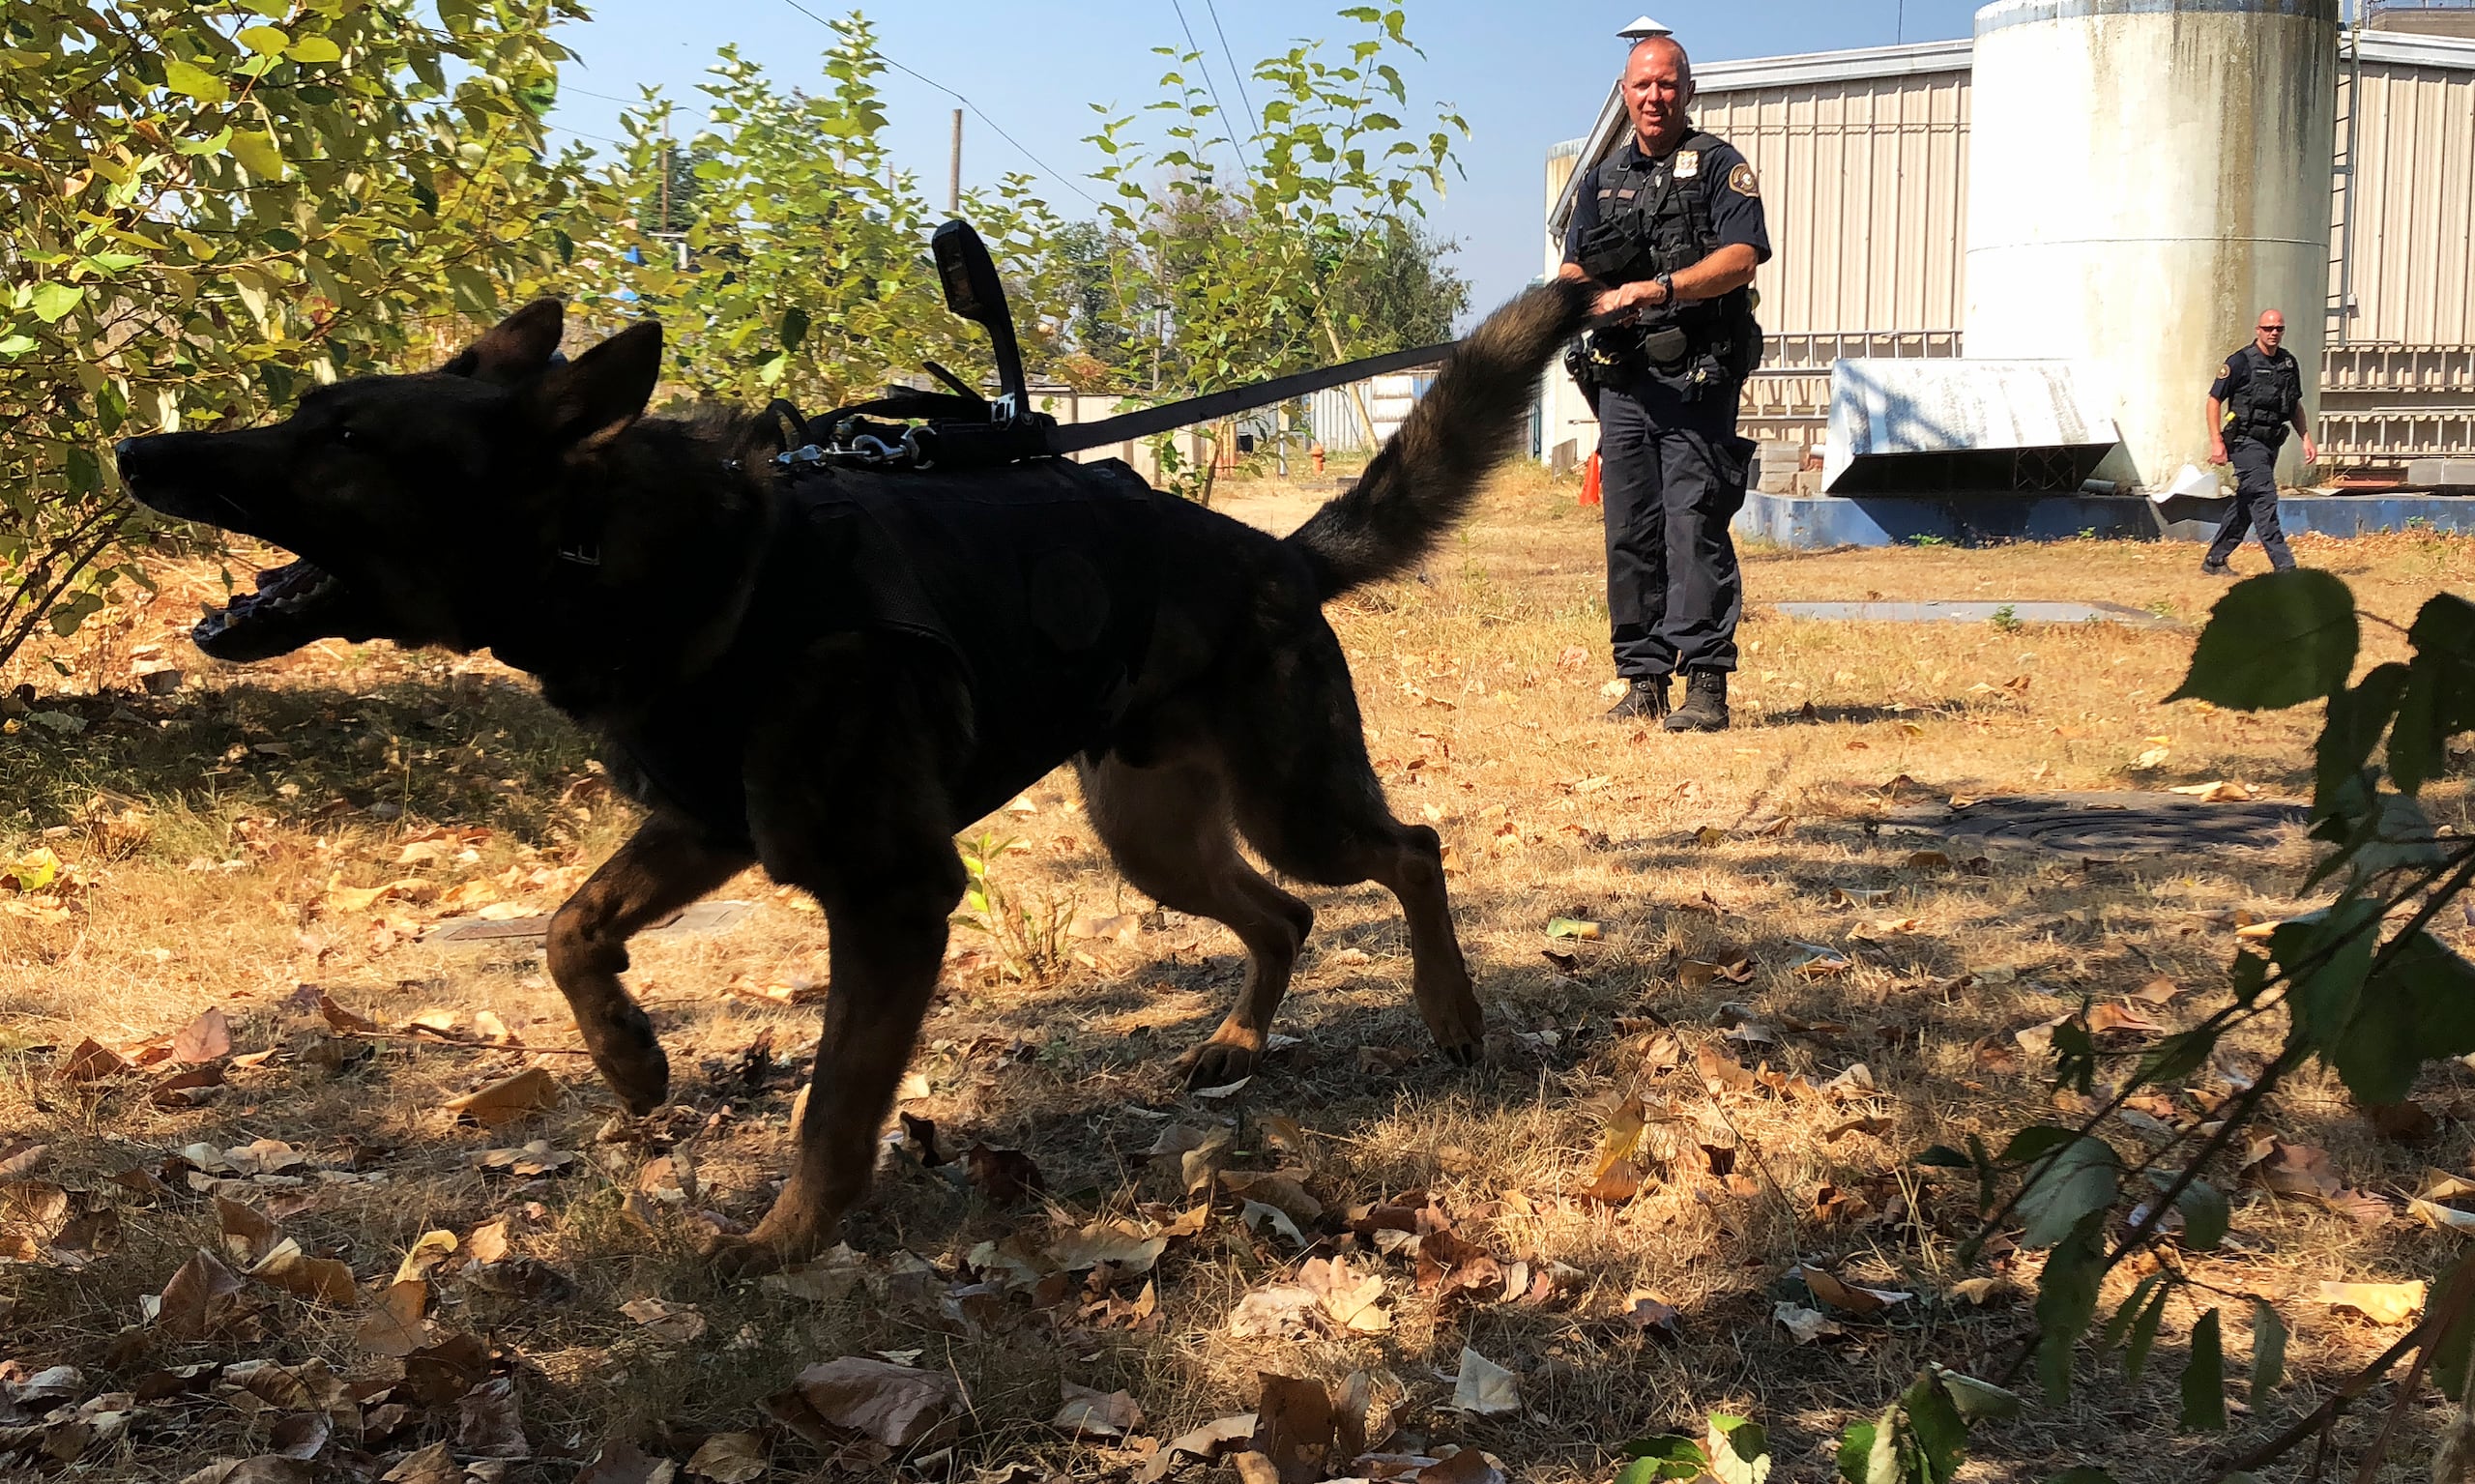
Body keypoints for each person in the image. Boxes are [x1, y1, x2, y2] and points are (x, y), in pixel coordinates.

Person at [1558, 34, 1769, 733]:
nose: (1655, 96)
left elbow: (1741, 258)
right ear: (1625, 94)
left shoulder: (1719, 168)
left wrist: (1660, 288)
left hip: (1696, 382)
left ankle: (1705, 685)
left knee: (1694, 526)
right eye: (1643, 85)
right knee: (1630, 531)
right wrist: (1588, 295)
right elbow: (1573, 269)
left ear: (1688, 89)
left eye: (1668, 84)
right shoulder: (1601, 178)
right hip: (1622, 382)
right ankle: (1643, 680)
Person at [2202, 310, 2316, 575]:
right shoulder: (2240, 362)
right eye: (2268, 328)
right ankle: (2285, 568)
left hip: (2271, 443)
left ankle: (2215, 560)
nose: (2273, 333)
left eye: (2278, 328)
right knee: (2264, 498)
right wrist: (2216, 441)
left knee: (2247, 502)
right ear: (2258, 330)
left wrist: (2306, 437)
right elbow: (2213, 400)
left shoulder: (2288, 363)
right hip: (2244, 442)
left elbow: (2294, 405)